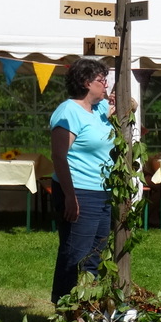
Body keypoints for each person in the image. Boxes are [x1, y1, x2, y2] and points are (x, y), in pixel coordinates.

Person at [49, 57, 115, 304]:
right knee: (75, 252)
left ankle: (87, 306)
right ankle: (65, 308)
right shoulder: (68, 112)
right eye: (101, 80)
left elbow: (130, 105)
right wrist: (70, 197)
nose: (106, 84)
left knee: (96, 253)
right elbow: (58, 156)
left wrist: (126, 102)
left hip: (102, 191)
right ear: (86, 83)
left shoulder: (99, 109)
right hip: (78, 191)